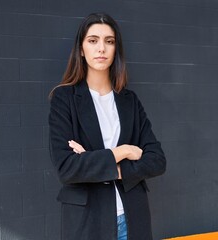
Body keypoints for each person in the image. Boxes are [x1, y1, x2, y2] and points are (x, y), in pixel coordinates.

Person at [48, 13, 166, 240]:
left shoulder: (129, 100)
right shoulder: (64, 99)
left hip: (133, 218)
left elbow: (157, 160)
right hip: (88, 223)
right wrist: (124, 151)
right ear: (81, 49)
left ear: (115, 49)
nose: (101, 48)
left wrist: (96, 161)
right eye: (93, 40)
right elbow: (67, 168)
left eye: (109, 41)